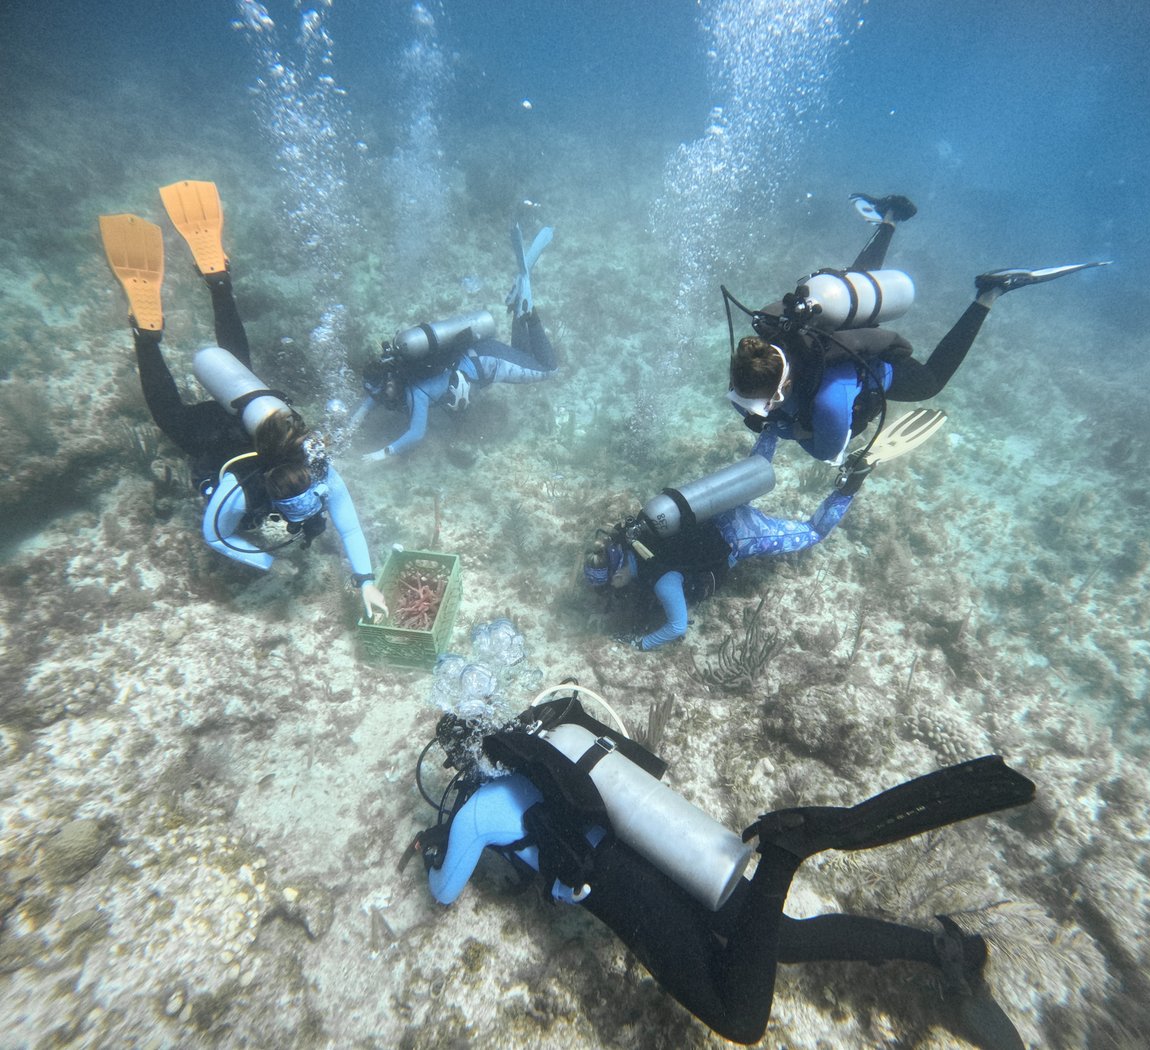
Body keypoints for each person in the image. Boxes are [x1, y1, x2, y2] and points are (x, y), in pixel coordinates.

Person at [411, 690, 1036, 1049]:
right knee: (783, 938)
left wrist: (438, 851)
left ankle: (786, 854)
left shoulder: (476, 811)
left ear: (464, 764)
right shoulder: (548, 747)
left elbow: (442, 893)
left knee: (739, 1020)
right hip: (669, 845)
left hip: (625, 890)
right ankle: (944, 951)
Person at [99, 180, 388, 619]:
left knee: (240, 368)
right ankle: (146, 335)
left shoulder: (315, 460)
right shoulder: (240, 491)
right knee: (169, 415)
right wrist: (267, 562)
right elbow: (215, 535)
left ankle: (217, 280)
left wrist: (366, 580)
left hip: (256, 409)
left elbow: (346, 523)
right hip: (215, 437)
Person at [726, 192, 1109, 468]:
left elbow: (827, 452)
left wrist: (790, 430)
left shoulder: (829, 399)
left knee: (930, 383)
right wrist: (771, 415)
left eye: (763, 404)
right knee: (857, 284)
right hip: (834, 321)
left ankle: (989, 293)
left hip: (874, 360)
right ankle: (889, 217)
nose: (749, 412)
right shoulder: (765, 340)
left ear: (783, 389)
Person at [583, 408, 946, 651]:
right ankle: (774, 422)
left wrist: (640, 644)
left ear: (618, 575)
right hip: (718, 505)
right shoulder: (636, 529)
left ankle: (852, 481)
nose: (610, 591)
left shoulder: (662, 582)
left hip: (740, 534)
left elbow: (677, 627)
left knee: (812, 533)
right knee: (753, 470)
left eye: (607, 584)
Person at [357, 224, 559, 462]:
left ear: (388, 380)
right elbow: (372, 398)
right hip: (481, 354)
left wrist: (382, 454)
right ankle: (519, 309)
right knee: (520, 355)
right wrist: (354, 422)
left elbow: (416, 434)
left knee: (548, 369)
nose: (383, 398)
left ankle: (529, 314)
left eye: (383, 392)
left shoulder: (415, 394)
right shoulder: (397, 372)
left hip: (488, 361)